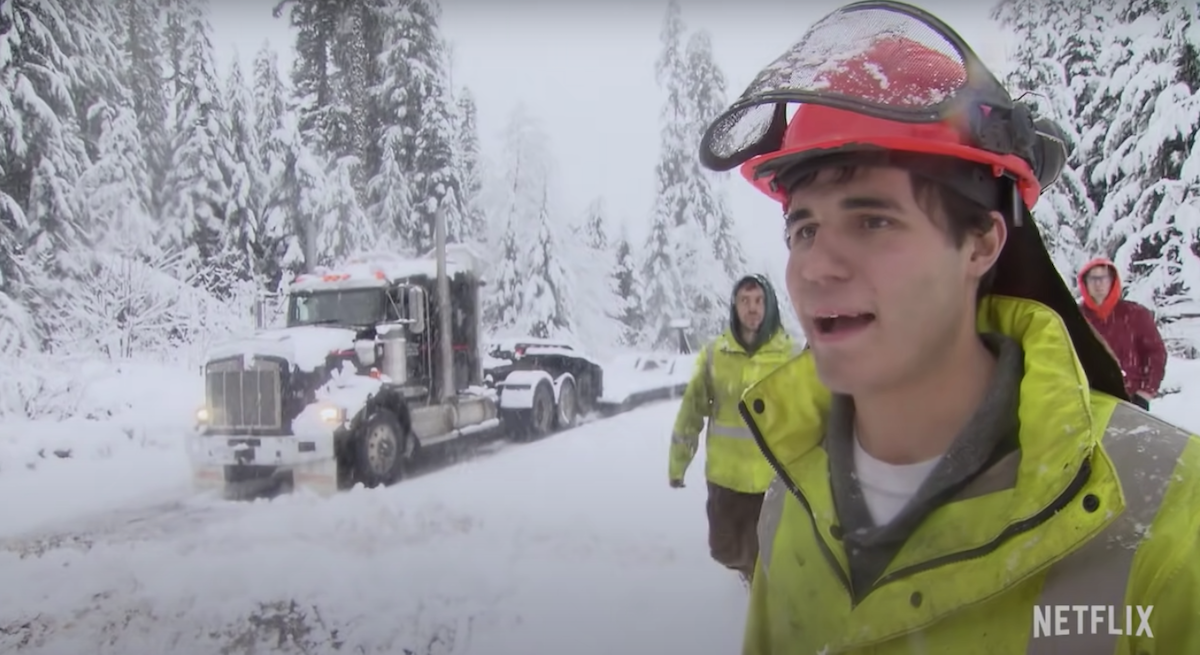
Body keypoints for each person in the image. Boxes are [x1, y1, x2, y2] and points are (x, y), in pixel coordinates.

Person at [695, 1, 1200, 652]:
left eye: (873, 220)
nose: (816, 266)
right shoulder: (791, 501)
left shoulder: (1168, 505)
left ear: (981, 244)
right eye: (804, 228)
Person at [668, 275, 797, 586]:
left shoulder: (792, 355)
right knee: (725, 550)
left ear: (770, 306)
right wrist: (678, 463)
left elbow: (808, 414)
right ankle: (747, 571)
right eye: (744, 301)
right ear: (734, 307)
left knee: (773, 552)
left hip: (774, 478)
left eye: (758, 301)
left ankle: (761, 586)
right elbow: (691, 411)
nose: (752, 309)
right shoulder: (715, 354)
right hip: (726, 478)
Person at [1078, 257, 1167, 411]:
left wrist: (1146, 392)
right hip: (1085, 400)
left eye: (1103, 278)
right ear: (1084, 282)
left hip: (1130, 399)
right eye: (1093, 278)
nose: (1098, 283)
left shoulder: (1135, 314)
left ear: (1112, 281)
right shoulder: (1074, 317)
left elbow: (1156, 353)